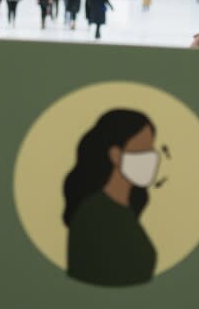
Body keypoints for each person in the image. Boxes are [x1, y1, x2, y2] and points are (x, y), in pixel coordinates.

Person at [64, 110, 159, 287]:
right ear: (115, 155)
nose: (152, 157)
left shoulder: (125, 208)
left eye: (151, 149)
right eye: (143, 149)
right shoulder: (94, 215)